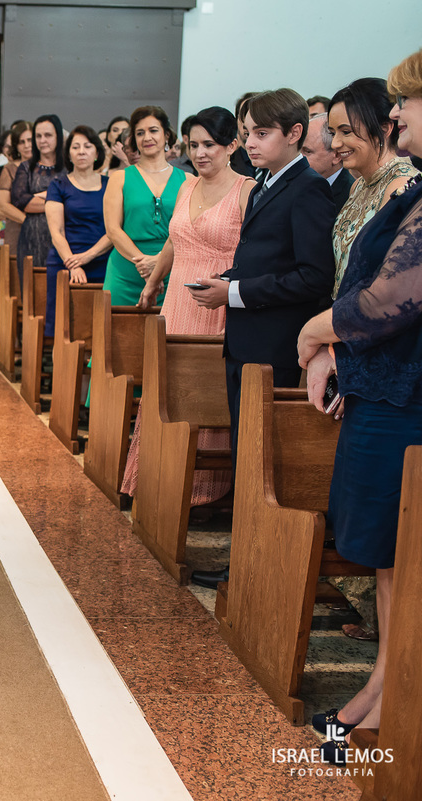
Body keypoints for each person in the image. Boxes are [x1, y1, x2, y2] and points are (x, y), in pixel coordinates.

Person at [295, 48, 422, 761]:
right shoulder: (403, 192)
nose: (398, 112)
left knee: (400, 550)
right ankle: (383, 686)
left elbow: (389, 299)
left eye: (407, 103)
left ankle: (391, 698)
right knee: (388, 554)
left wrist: (316, 334)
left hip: (405, 397)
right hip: (383, 387)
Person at [188, 88, 336, 589]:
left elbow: (314, 278)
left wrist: (236, 293)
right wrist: (228, 281)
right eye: (247, 132)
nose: (249, 142)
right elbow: (263, 257)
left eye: (261, 133)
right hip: (249, 341)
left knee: (261, 459)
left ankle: (255, 566)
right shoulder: (269, 181)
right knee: (246, 455)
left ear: (294, 134)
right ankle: (245, 558)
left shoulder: (307, 188)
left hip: (274, 345)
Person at [123, 107, 255, 502]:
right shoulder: (187, 186)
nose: (200, 153)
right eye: (194, 145)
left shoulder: (247, 191)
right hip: (177, 302)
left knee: (205, 393)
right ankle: (155, 477)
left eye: (209, 145)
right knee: (167, 390)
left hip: (215, 305)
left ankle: (202, 492)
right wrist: (153, 282)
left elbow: (254, 255)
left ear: (232, 144)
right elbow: (173, 241)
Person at [329, 78, 419, 293]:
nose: (335, 143)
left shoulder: (402, 185)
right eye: (333, 133)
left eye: (346, 132)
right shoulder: (358, 185)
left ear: (386, 128)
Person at [103, 106, 187, 307]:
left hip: (171, 271)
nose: (147, 137)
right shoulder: (119, 178)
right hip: (126, 271)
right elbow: (113, 230)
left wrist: (158, 262)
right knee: (118, 335)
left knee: (168, 335)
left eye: (153, 130)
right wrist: (144, 264)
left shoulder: (187, 180)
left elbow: (186, 232)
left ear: (166, 135)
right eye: (140, 133)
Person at [42, 126, 113, 334]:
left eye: (87, 146)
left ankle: (95, 364)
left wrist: (87, 257)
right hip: (65, 262)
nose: (82, 151)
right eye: (76, 147)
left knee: (99, 327)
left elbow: (114, 230)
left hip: (102, 261)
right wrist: (73, 264)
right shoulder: (58, 185)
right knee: (64, 325)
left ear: (97, 153)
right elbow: (57, 232)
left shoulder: (111, 184)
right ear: (69, 154)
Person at [13, 115, 67, 288]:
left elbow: (74, 200)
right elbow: (22, 201)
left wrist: (42, 196)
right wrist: (58, 201)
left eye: (48, 135)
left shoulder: (69, 167)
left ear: (58, 136)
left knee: (61, 294)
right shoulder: (26, 168)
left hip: (64, 237)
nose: (43, 140)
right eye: (38, 136)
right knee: (32, 293)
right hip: (31, 239)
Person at [302, 112, 353, 205]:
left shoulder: (351, 197)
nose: (299, 158)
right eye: (298, 151)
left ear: (337, 156)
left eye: (307, 152)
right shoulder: (294, 183)